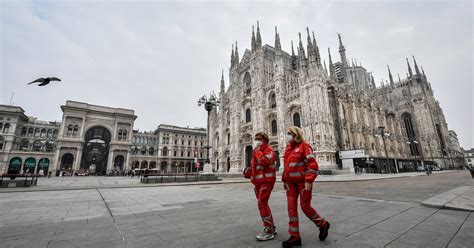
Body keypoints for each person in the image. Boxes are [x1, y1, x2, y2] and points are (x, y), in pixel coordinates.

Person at [282, 126, 330, 248]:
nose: (287, 135)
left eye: (290, 133)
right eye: (287, 133)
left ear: (296, 134)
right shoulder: (288, 149)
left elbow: (312, 165)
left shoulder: (305, 146)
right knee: (291, 209)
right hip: (290, 184)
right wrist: (284, 180)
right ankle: (294, 236)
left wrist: (309, 180)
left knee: (305, 207)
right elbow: (287, 167)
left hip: (303, 183)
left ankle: (322, 224)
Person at [244, 132, 277, 241]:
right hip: (257, 182)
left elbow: (265, 161)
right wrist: (249, 172)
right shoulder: (255, 151)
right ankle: (271, 227)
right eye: (256, 138)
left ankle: (269, 231)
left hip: (267, 181)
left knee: (261, 203)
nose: (257, 140)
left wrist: (258, 153)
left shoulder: (269, 150)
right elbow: (255, 165)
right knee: (264, 204)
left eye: (259, 138)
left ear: (265, 139)